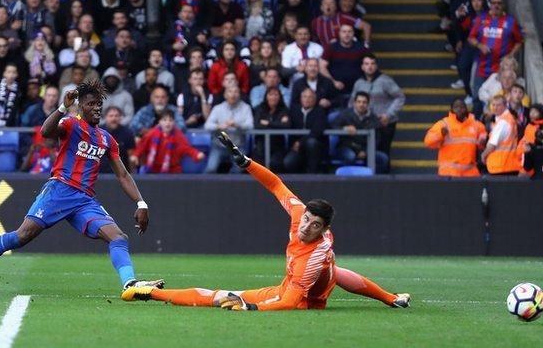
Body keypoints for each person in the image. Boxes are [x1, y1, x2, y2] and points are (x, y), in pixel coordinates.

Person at [122, 132, 411, 311]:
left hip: (305, 298)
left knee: (328, 271)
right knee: (216, 295)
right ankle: (150, 294)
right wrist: (246, 162)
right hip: (295, 282)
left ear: (325, 230)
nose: (306, 226)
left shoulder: (311, 258)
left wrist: (252, 308)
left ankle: (389, 298)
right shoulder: (300, 213)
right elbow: (276, 184)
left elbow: (290, 302)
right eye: (308, 219)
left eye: (315, 226)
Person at [0, 80, 165, 297]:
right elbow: (46, 132)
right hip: (59, 190)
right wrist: (62, 107)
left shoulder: (107, 139)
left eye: (99, 104)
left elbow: (123, 174)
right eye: (90, 104)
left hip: (84, 200)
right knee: (21, 237)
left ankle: (130, 284)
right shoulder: (71, 124)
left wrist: (141, 203)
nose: (96, 108)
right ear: (80, 107)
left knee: (118, 237)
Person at [349, 54, 405, 160]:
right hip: (367, 123)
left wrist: (388, 115)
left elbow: (400, 97)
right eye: (366, 64)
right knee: (368, 153)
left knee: (383, 153)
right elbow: (352, 102)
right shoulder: (359, 83)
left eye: (372, 63)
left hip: (385, 123)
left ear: (376, 66)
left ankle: (385, 176)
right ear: (362, 67)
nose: (369, 66)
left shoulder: (385, 80)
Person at [424, 98, 487, 177]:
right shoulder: (444, 124)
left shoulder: (477, 125)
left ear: (466, 109)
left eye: (462, 107)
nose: (459, 109)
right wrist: (440, 134)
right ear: (451, 109)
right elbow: (428, 142)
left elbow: (482, 141)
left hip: (470, 172)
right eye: (456, 107)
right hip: (449, 173)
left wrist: (483, 142)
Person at [130, 109, 204, 173]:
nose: (167, 123)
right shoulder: (152, 133)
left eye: (170, 120)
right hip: (152, 169)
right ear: (159, 122)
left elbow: (186, 148)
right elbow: (142, 145)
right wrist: (135, 155)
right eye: (164, 120)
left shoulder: (178, 135)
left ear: (174, 122)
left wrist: (196, 154)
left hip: (173, 171)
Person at [332, 91, 389, 173]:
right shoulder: (345, 114)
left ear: (368, 104)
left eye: (364, 102)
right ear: (354, 103)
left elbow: (376, 139)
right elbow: (333, 126)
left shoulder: (373, 118)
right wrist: (345, 128)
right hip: (346, 147)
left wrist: (365, 151)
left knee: (383, 158)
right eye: (359, 102)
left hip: (365, 149)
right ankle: (348, 181)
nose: (361, 104)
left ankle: (373, 180)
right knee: (350, 156)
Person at [284, 88, 327, 173]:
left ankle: (312, 176)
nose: (307, 99)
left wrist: (300, 142)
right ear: (300, 99)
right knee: (288, 162)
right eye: (304, 97)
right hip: (296, 148)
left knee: (311, 142)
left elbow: (316, 131)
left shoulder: (320, 112)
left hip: (315, 148)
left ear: (315, 100)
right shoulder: (294, 111)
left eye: (310, 97)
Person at [320, 24, 368, 99]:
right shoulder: (331, 48)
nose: (347, 34)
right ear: (339, 34)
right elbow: (322, 67)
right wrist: (333, 82)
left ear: (353, 34)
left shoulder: (361, 48)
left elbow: (369, 66)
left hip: (357, 91)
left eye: (349, 32)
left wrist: (362, 83)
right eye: (344, 32)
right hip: (336, 91)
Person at [252, 87, 290, 172]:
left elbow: (286, 125)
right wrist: (278, 123)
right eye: (271, 94)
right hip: (261, 144)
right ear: (266, 96)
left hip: (278, 145)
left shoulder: (284, 109)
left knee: (275, 164)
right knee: (257, 164)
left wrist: (268, 123)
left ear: (280, 97)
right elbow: (257, 125)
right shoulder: (260, 108)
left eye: (276, 94)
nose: (273, 97)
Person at [481, 96, 521, 175]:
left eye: (498, 105)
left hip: (501, 165)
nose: (495, 108)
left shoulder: (503, 122)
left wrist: (483, 155)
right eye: (493, 105)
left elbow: (492, 145)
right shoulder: (506, 119)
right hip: (507, 165)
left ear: (505, 105)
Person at [100, 106, 136, 173]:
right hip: (100, 173)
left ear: (120, 118)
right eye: (111, 116)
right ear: (105, 117)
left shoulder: (127, 133)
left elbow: (130, 156)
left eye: (116, 116)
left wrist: (133, 174)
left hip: (121, 173)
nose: (114, 118)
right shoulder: (97, 131)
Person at [518, 103, 543, 177]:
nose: (532, 114)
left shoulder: (540, 127)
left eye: (535, 112)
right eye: (531, 111)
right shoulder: (529, 126)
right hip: (527, 158)